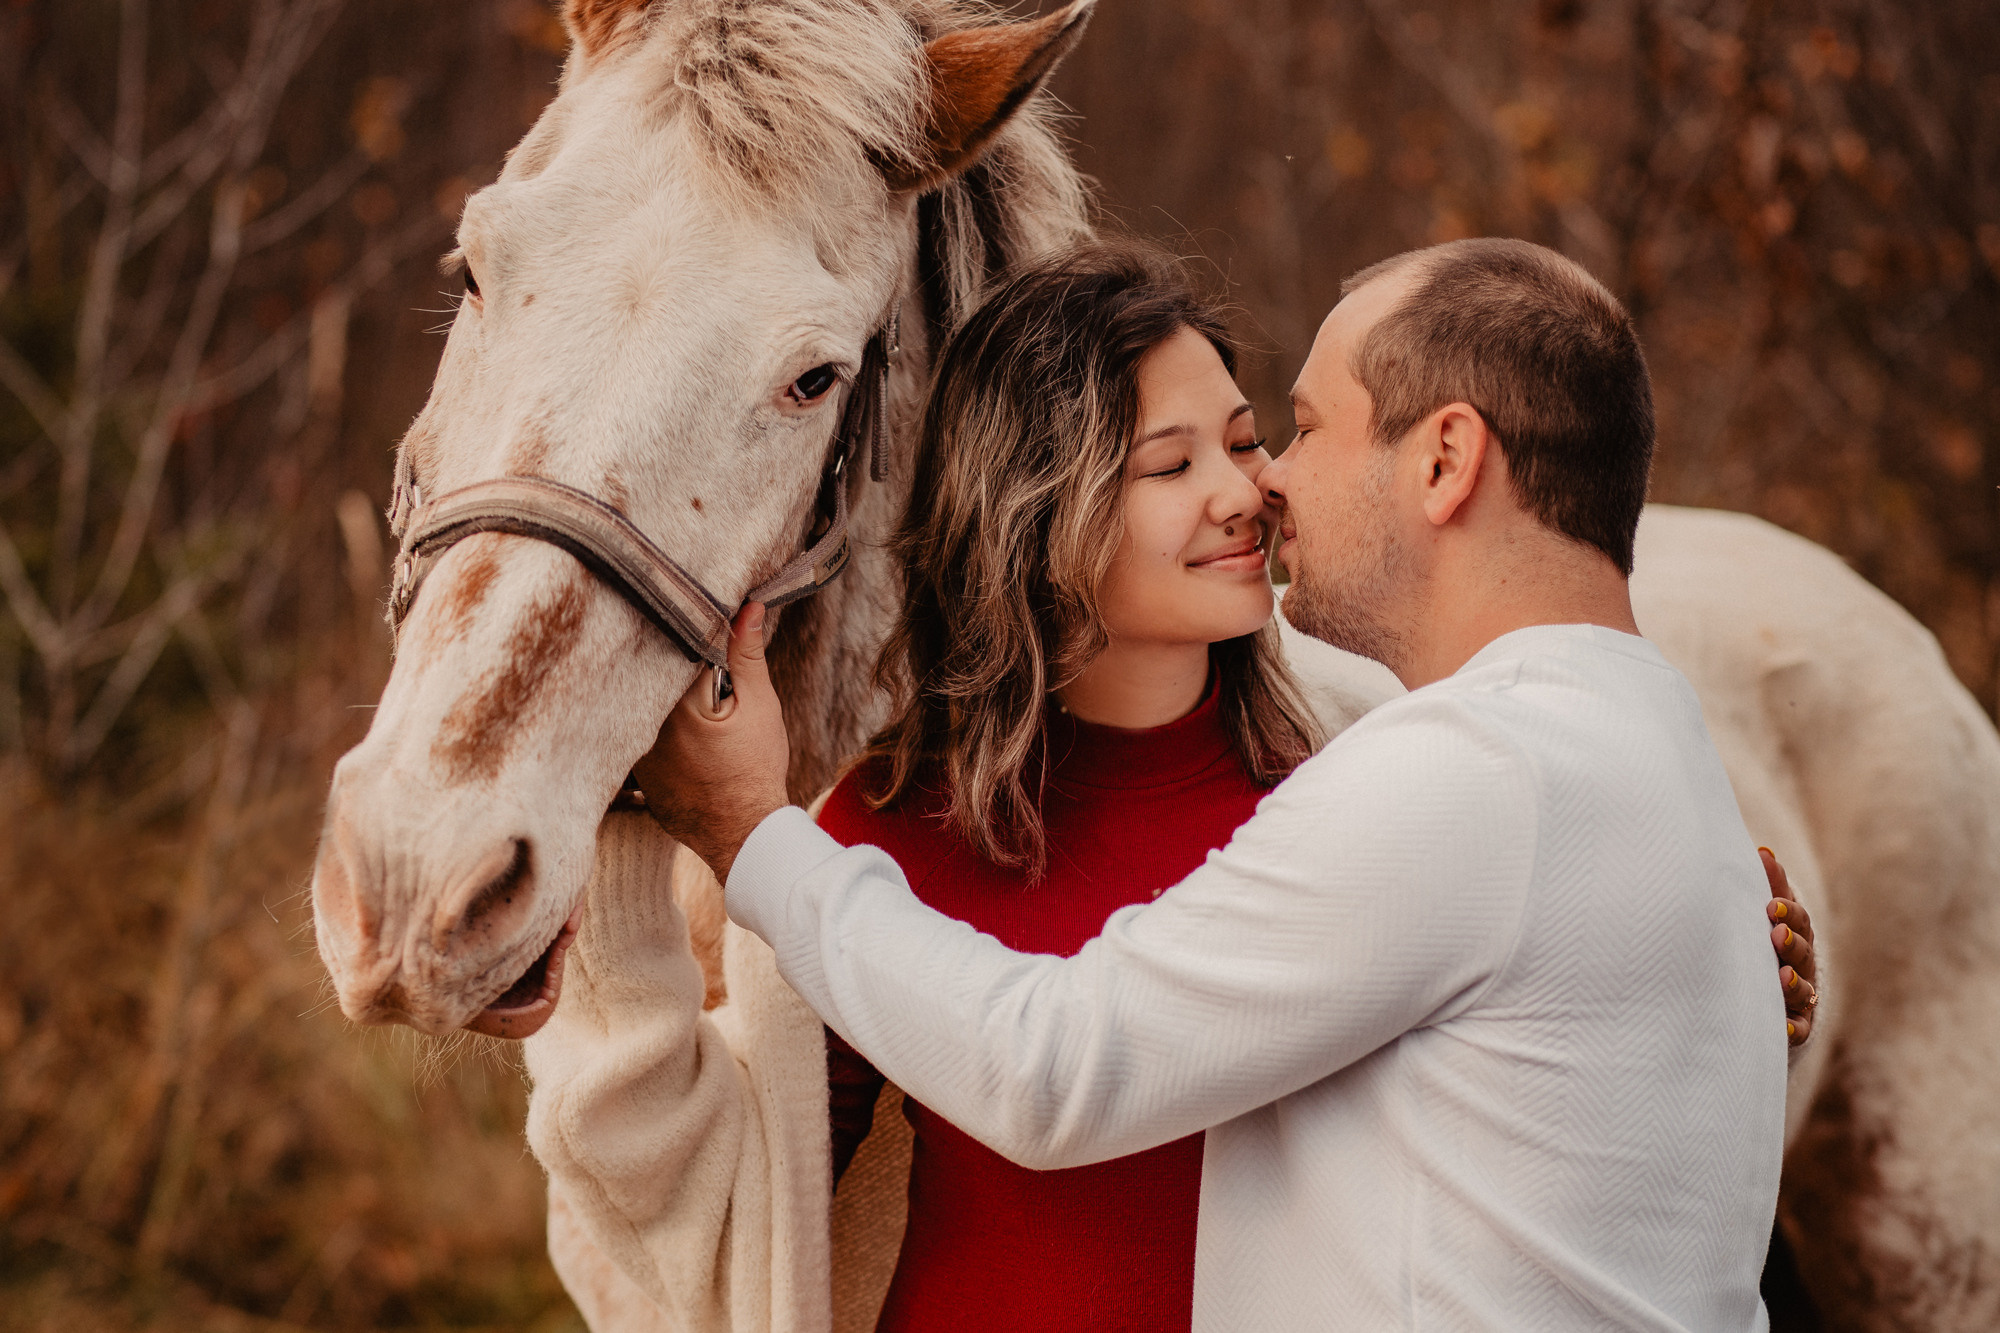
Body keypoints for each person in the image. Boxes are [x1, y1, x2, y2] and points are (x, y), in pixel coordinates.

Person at [641, 237, 1812, 1331]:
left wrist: (749, 833)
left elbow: (1052, 1068)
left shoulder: (1445, 778)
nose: (1266, 484)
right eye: (1180, 458)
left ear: (1444, 460)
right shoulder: (1646, 753)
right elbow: (766, 1212)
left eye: (1293, 431)